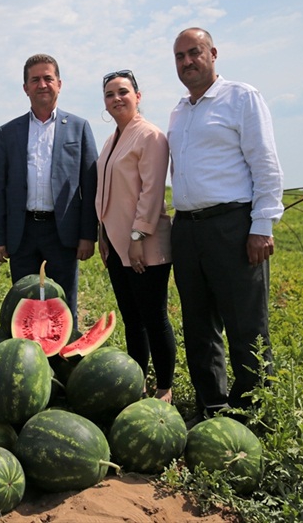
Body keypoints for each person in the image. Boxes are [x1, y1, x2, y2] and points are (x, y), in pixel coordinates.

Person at [167, 28, 284, 423]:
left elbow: (265, 164)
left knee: (245, 324)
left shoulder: (241, 97)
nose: (187, 62)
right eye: (180, 56)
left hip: (232, 225)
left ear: (213, 53)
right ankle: (211, 406)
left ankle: (255, 413)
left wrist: (262, 225)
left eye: (194, 53)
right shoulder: (180, 110)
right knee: (198, 323)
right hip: (187, 229)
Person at [0, 54, 98, 324]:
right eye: (35, 79)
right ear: (25, 87)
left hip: (62, 233)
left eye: (48, 78)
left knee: (64, 305)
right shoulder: (8, 132)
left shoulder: (79, 127)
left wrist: (88, 235)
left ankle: (62, 363)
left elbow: (90, 184)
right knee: (24, 305)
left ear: (59, 84)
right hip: (22, 232)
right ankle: (28, 361)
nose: (42, 84)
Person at [96, 69, 176, 402]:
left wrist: (138, 236)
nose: (116, 98)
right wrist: (101, 231)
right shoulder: (113, 138)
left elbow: (152, 190)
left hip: (142, 244)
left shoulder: (150, 136)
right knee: (132, 318)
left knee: (154, 316)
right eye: (110, 94)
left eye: (123, 92)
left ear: (138, 96)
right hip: (115, 243)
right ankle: (137, 381)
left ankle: (165, 388)